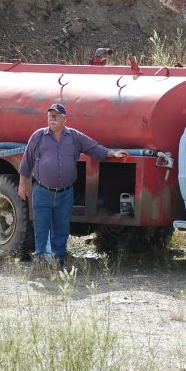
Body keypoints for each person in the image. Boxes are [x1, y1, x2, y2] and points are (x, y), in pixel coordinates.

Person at [18, 103, 128, 267]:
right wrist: (22, 186)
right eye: (50, 115)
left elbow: (93, 147)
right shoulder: (38, 137)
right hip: (42, 191)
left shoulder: (74, 137)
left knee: (61, 227)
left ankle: (59, 260)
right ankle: (41, 259)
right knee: (41, 225)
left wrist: (111, 153)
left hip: (65, 193)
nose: (52, 118)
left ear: (64, 119)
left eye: (56, 116)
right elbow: (26, 163)